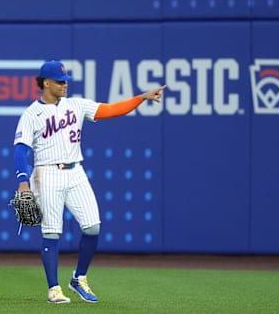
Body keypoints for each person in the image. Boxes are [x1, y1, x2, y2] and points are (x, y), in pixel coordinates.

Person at [12, 60, 166, 304]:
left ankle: (79, 278)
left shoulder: (77, 105)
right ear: (46, 83)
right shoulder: (32, 113)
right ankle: (54, 289)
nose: (65, 85)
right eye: (61, 81)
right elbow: (21, 150)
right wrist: (22, 181)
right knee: (51, 232)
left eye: (66, 81)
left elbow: (113, 110)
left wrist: (142, 98)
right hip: (46, 174)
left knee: (93, 227)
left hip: (75, 172)